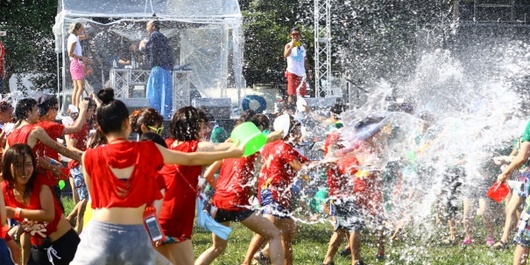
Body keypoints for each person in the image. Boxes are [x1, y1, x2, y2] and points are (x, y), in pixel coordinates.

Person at [70, 88, 243, 264]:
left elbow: (96, 199)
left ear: (100, 127)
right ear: (127, 123)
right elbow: (191, 158)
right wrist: (232, 152)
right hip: (134, 237)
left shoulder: (88, 157)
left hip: (98, 235)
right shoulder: (148, 150)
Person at [195, 112, 284, 265]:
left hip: (219, 202)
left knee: (217, 248)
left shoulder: (228, 150)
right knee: (274, 235)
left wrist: (223, 191)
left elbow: (209, 175)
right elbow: (267, 139)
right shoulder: (248, 149)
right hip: (235, 202)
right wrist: (280, 132)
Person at [154, 106, 237, 265]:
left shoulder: (168, 144)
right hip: (174, 219)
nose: (204, 130)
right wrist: (261, 140)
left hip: (158, 215)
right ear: (192, 126)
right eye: (201, 125)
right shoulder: (191, 147)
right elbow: (216, 149)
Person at [246, 114, 309, 265]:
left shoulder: (272, 145)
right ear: (290, 131)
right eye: (298, 130)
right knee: (266, 227)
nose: (300, 134)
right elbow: (299, 166)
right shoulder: (284, 146)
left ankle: (265, 256)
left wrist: (328, 162)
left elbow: (306, 162)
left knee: (288, 232)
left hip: (275, 192)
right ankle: (246, 261)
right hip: (274, 191)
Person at [2, 144, 80, 265]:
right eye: (18, 165)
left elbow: (49, 214)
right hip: (39, 248)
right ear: (8, 166)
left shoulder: (40, 182)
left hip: (65, 244)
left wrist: (15, 212)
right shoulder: (4, 189)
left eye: (28, 164)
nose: (24, 170)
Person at [498, 120, 530, 265]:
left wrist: (505, 173)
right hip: (523, 179)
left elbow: (522, 157)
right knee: (511, 208)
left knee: (525, 238)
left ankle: (504, 240)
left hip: (526, 179)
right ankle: (503, 239)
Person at [139, 20, 174, 119]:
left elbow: (152, 50)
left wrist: (142, 47)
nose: (146, 28)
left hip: (158, 69)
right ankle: (166, 117)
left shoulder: (154, 36)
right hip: (166, 70)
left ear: (153, 27)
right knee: (165, 95)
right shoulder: (164, 38)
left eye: (148, 26)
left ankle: (155, 116)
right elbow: (169, 54)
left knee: (155, 94)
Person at [283, 27, 311, 106]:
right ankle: (289, 109)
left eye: (297, 34)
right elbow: (285, 55)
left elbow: (305, 59)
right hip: (292, 72)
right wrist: (291, 47)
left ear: (300, 36)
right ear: (290, 36)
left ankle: (302, 111)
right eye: (294, 34)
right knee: (291, 93)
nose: (296, 36)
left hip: (302, 73)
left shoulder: (302, 46)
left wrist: (309, 71)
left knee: (302, 94)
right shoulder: (288, 45)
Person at [67, 22, 90, 108]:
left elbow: (86, 36)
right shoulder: (74, 39)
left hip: (74, 64)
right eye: (81, 29)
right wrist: (82, 57)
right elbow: (70, 53)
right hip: (76, 63)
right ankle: (76, 107)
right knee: (81, 87)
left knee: (77, 88)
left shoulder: (73, 37)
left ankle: (74, 107)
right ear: (77, 29)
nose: (82, 30)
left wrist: (84, 30)